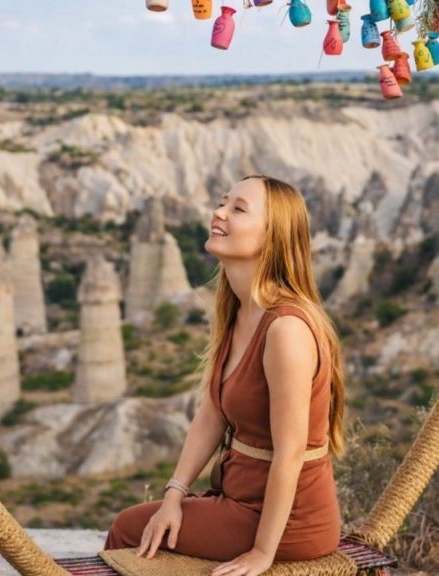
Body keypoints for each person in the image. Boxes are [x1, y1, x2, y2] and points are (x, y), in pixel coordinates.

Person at [103, 175, 347, 576]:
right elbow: (213, 414)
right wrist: (173, 496)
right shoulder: (239, 311)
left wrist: (262, 552)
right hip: (238, 498)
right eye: (222, 202)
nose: (219, 213)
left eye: (238, 209)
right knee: (147, 524)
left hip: (288, 520)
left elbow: (290, 453)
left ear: (272, 236)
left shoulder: (286, 329)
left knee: (128, 529)